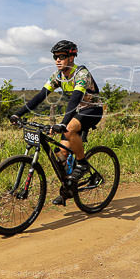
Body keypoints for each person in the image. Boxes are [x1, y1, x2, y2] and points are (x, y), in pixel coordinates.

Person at [9, 40, 103, 205]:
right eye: (55, 57)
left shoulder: (81, 74)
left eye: (62, 56)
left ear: (71, 57)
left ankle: (82, 164)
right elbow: (40, 96)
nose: (57, 60)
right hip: (77, 112)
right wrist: (18, 114)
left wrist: (62, 123)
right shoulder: (58, 76)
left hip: (92, 110)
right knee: (60, 154)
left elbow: (75, 99)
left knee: (68, 130)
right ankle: (68, 188)